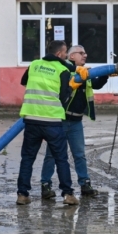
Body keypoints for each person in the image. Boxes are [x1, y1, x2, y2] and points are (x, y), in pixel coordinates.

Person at [15, 40, 87, 206]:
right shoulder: (62, 70)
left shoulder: (34, 64)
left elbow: (24, 82)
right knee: (61, 159)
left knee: (27, 159)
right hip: (52, 121)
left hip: (31, 119)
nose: (66, 56)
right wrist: (72, 87)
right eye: (65, 53)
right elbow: (63, 97)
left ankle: (22, 195)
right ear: (59, 54)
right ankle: (68, 195)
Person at [40, 45, 108, 198]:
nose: (85, 55)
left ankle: (85, 184)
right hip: (60, 121)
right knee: (51, 154)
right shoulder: (64, 70)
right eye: (81, 53)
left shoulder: (85, 73)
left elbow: (96, 84)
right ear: (71, 56)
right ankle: (45, 184)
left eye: (85, 52)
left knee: (79, 155)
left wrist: (106, 74)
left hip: (76, 122)